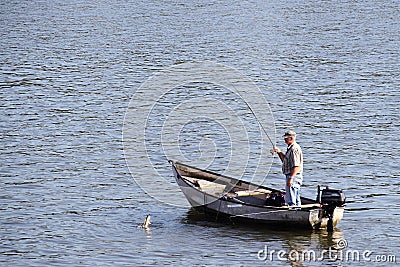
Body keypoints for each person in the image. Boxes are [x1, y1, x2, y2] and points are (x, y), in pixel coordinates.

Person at [273, 130, 303, 207]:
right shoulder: (290, 148)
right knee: (294, 197)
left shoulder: (294, 149)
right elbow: (285, 161)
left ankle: (294, 213)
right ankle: (297, 211)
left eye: (286, 138)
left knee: (292, 199)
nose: (284, 140)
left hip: (293, 176)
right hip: (291, 176)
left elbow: (297, 166)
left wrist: (291, 178)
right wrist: (279, 152)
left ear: (291, 138)